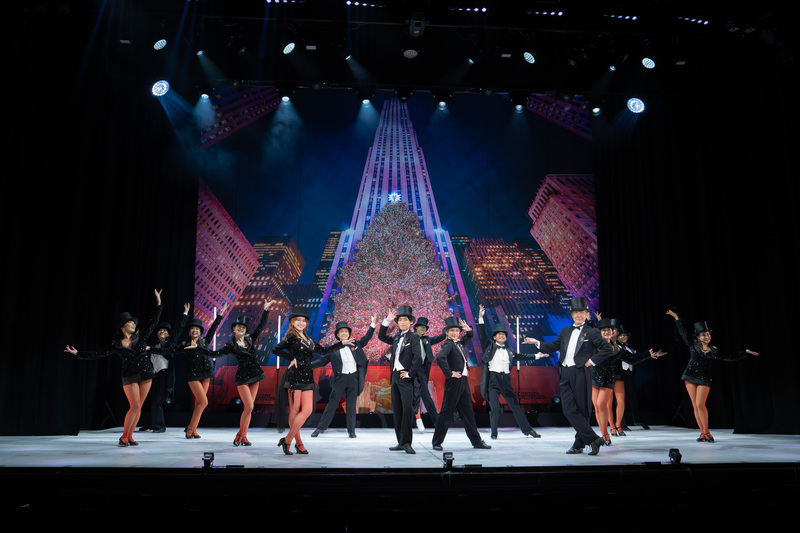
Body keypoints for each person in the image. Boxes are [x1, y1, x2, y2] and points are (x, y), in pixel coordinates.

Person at [64, 289, 163, 447]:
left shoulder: (141, 336)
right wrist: (78, 354)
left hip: (146, 372)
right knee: (134, 405)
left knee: (139, 407)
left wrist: (158, 304)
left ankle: (130, 436)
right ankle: (124, 437)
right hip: (129, 375)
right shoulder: (116, 344)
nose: (133, 324)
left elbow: (153, 322)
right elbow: (99, 353)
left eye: (133, 322)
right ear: (123, 328)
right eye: (130, 323)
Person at [528, 297, 614, 455]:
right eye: (576, 313)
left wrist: (591, 361)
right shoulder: (565, 331)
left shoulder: (592, 332)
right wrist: (537, 343)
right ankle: (594, 439)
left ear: (586, 314)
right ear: (572, 315)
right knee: (568, 409)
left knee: (582, 410)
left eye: (582, 312)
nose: (579, 315)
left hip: (581, 371)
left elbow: (607, 349)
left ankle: (578, 444)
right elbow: (553, 347)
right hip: (565, 372)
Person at [666, 309, 759, 442]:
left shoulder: (714, 350)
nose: (707, 337)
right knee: (695, 406)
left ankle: (707, 432)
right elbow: (683, 333)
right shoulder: (693, 345)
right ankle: (703, 434)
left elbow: (729, 357)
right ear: (698, 337)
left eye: (708, 334)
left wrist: (745, 353)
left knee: (700, 404)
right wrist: (676, 318)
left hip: (704, 378)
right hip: (690, 376)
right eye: (704, 335)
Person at [477, 305, 544, 439]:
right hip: (493, 381)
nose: (502, 336)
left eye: (504, 334)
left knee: (515, 406)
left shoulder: (510, 351)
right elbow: (483, 335)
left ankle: (528, 430)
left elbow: (522, 356)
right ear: (494, 337)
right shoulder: (490, 346)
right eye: (499, 334)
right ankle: (494, 433)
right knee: (495, 408)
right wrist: (480, 318)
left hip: (506, 381)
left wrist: (537, 356)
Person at [214, 299, 273, 446]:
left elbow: (261, 326)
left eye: (243, 327)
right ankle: (240, 434)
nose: (241, 328)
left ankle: (244, 436)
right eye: (238, 326)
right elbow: (215, 353)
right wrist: (198, 349)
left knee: (249, 409)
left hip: (255, 375)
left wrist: (265, 310)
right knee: (249, 407)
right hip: (242, 378)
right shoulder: (230, 345)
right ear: (234, 329)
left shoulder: (250, 339)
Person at [431, 316, 492, 451]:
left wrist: (468, 330)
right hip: (454, 381)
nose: (455, 333)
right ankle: (437, 442)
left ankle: (476, 441)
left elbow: (468, 337)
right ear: (447, 332)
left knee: (468, 412)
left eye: (457, 331)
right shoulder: (449, 344)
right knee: (446, 412)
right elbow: (440, 357)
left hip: (462, 381)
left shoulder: (458, 343)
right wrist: (449, 373)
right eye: (452, 331)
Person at [310, 317, 374, 438]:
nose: (344, 333)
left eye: (346, 331)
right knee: (332, 403)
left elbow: (366, 338)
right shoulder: (333, 349)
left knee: (351, 405)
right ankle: (320, 428)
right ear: (338, 335)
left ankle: (351, 431)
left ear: (349, 334)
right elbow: (322, 361)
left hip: (353, 379)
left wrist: (373, 325)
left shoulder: (355, 344)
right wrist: (306, 365)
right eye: (341, 332)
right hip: (340, 379)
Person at [272, 306, 320, 455]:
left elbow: (323, 350)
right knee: (295, 409)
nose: (301, 323)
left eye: (303, 320)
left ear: (306, 323)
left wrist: (341, 344)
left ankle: (287, 440)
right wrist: (291, 358)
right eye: (297, 320)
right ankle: (298, 444)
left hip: (307, 377)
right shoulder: (291, 337)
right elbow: (276, 349)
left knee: (307, 410)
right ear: (292, 322)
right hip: (294, 376)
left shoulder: (309, 339)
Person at [377, 305, 422, 454]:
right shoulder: (396, 337)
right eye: (400, 320)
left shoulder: (414, 337)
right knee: (397, 410)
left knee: (407, 410)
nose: (402, 322)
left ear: (411, 322)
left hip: (405, 377)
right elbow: (381, 337)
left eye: (405, 320)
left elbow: (418, 358)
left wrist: (410, 374)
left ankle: (407, 442)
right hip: (395, 376)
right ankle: (400, 442)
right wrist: (386, 321)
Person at [177, 303, 226, 439]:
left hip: (206, 374)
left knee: (199, 404)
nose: (195, 331)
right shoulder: (185, 345)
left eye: (197, 329)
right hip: (193, 375)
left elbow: (213, 329)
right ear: (189, 332)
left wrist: (220, 315)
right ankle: (190, 429)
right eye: (192, 329)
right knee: (204, 402)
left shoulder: (204, 342)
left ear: (200, 332)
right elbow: (172, 348)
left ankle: (193, 428)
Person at [140, 303, 189, 433]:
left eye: (165, 331)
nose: (162, 332)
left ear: (168, 334)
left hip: (164, 375)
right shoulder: (154, 345)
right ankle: (150, 423)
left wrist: (185, 314)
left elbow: (179, 329)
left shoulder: (169, 343)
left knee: (157, 401)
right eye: (160, 330)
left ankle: (160, 426)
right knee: (149, 400)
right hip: (153, 375)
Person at [611, 325, 666, 433]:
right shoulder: (615, 347)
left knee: (632, 398)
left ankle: (637, 420)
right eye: (621, 335)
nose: (624, 337)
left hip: (629, 375)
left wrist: (653, 355)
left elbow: (635, 359)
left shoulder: (629, 349)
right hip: (619, 375)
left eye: (626, 336)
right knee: (619, 400)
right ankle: (621, 424)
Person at [592, 318, 621, 446]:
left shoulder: (616, 347)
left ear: (612, 331)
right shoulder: (594, 345)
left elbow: (631, 358)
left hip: (607, 379)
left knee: (601, 404)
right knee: (597, 407)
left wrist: (648, 354)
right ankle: (604, 434)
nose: (606, 332)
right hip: (593, 378)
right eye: (603, 330)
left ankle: (606, 434)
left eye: (608, 330)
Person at [412, 317, 445, 431]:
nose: (423, 329)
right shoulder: (410, 338)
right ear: (416, 328)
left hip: (424, 368)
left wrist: (447, 330)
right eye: (421, 327)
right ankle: (435, 421)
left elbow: (439, 338)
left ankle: (421, 420)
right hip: (413, 369)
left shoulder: (427, 339)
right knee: (422, 395)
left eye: (425, 328)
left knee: (421, 394)